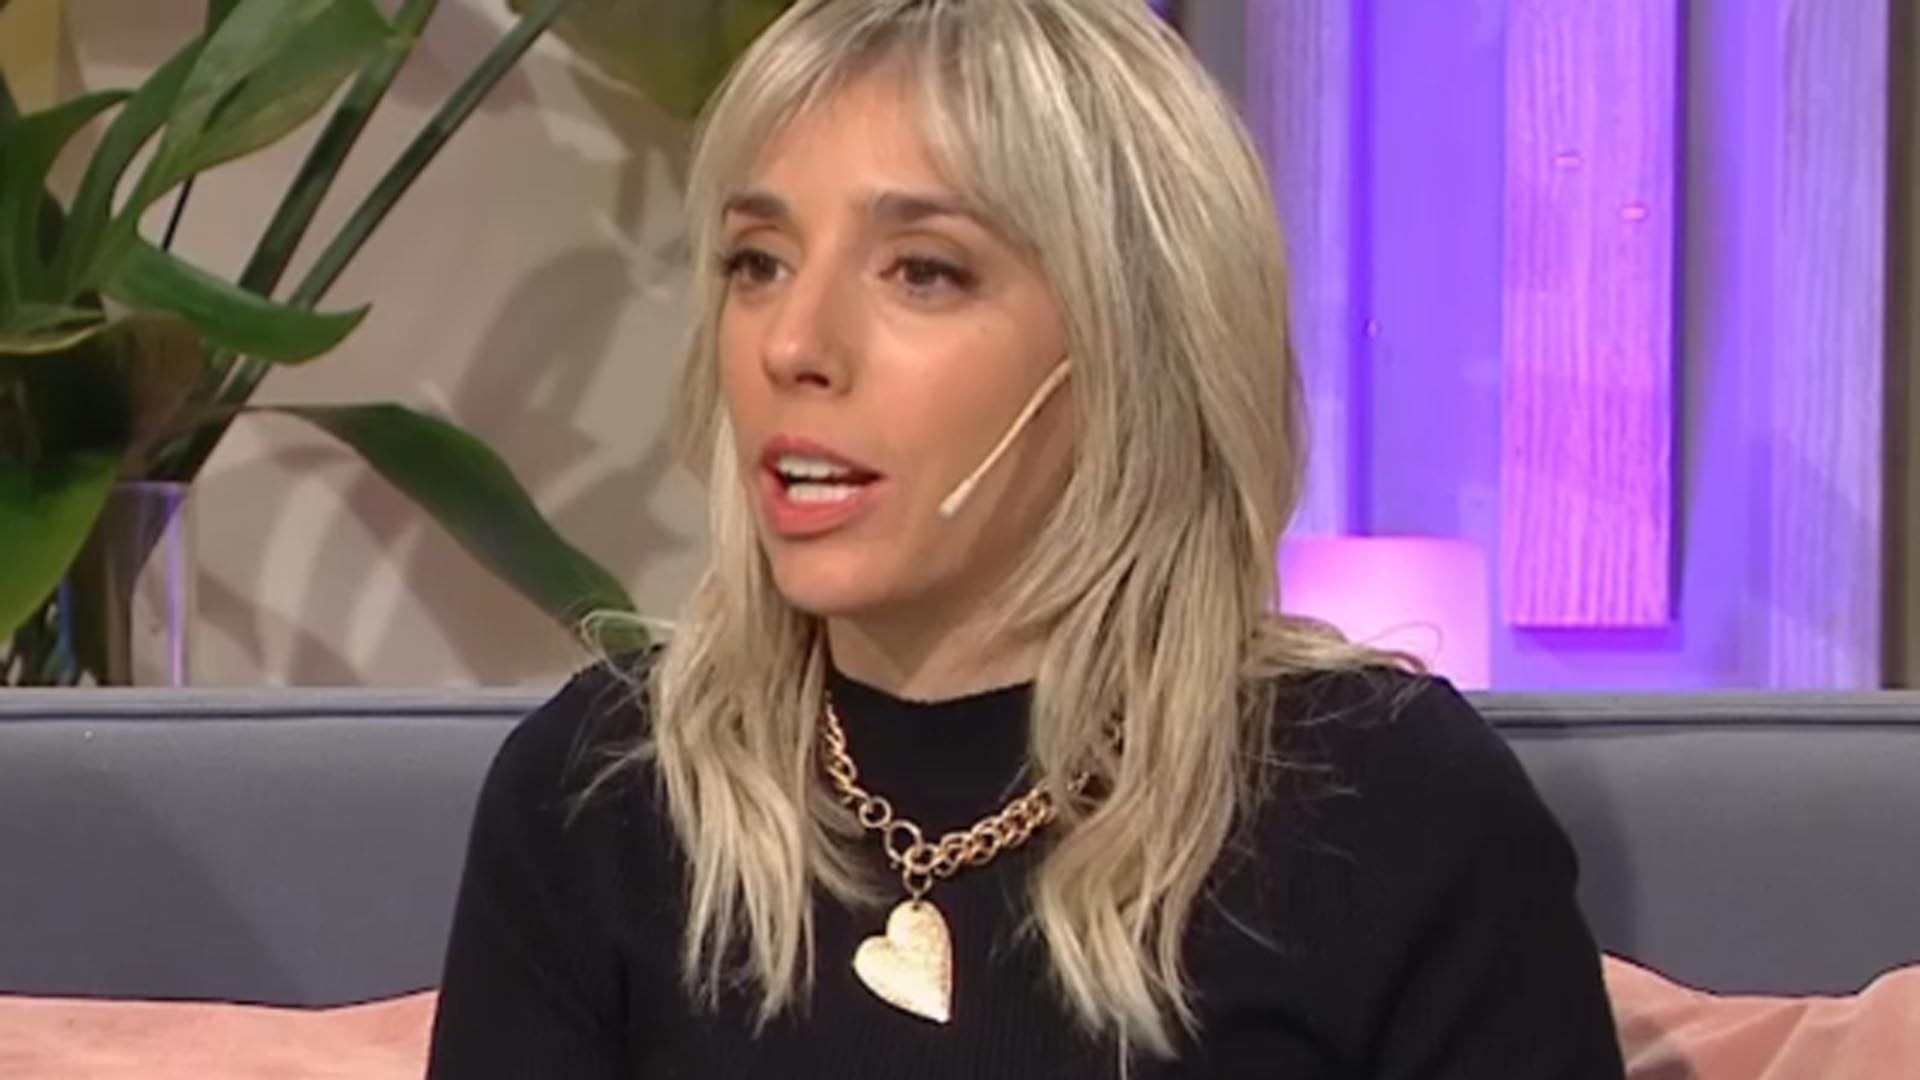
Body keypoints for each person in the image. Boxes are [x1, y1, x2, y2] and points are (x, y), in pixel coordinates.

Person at [425, 1, 1627, 1076]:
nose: (793, 343)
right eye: (759, 261)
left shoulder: (1388, 809)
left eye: (923, 272)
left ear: (1129, 347)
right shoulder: (601, 798)